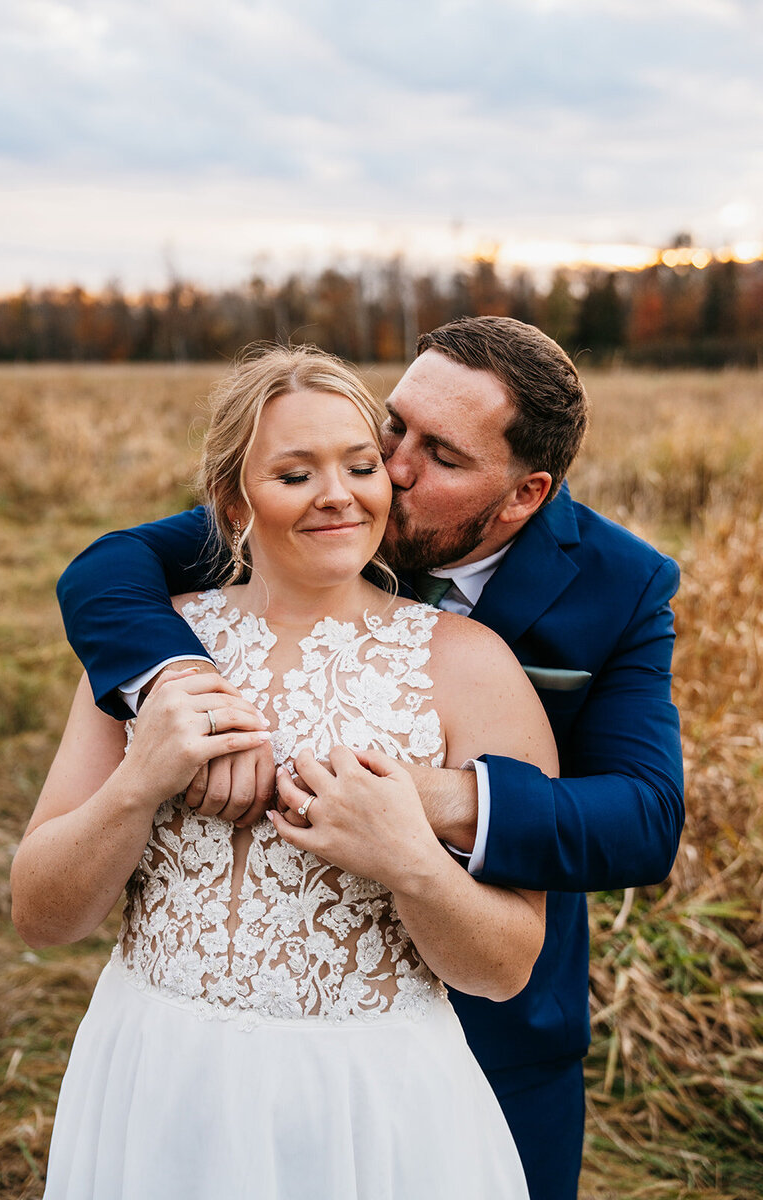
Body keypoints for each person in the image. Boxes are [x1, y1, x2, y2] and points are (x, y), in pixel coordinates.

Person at [56, 318, 685, 1200]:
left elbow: (645, 818)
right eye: (396, 425)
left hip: (500, 1017)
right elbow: (107, 571)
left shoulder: (622, 586)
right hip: (203, 1041)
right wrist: (178, 678)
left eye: (442, 455)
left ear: (524, 495)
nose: (391, 467)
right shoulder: (331, 505)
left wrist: (426, 800)